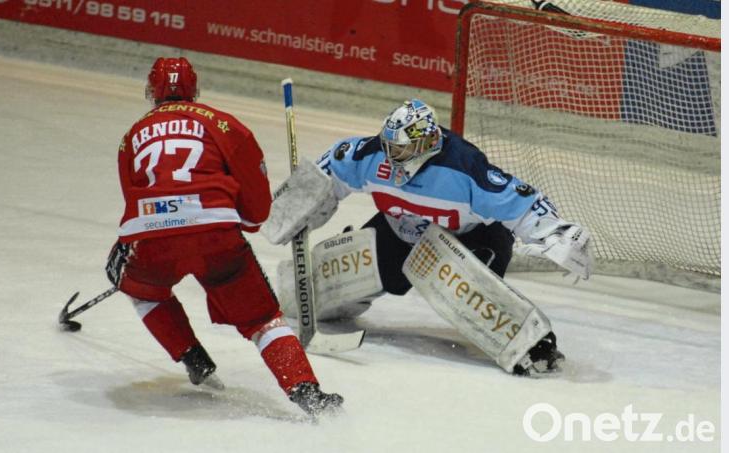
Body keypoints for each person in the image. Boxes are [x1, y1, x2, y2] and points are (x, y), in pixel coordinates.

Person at [105, 56, 343, 416]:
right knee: (263, 318)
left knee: (142, 291)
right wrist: (243, 223)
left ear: (151, 92)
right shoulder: (225, 124)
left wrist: (132, 248)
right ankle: (306, 392)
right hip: (215, 235)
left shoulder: (130, 137)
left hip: (151, 237)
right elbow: (257, 206)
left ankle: (191, 356)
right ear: (195, 90)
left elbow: (133, 198)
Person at [295, 99, 593, 375]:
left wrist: (556, 234)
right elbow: (334, 166)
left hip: (472, 238)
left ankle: (531, 346)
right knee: (357, 264)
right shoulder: (372, 154)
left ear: (427, 144)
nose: (391, 156)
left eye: (400, 150)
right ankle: (314, 293)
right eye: (388, 146)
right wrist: (304, 198)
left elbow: (521, 202)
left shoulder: (463, 169)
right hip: (401, 230)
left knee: (462, 282)